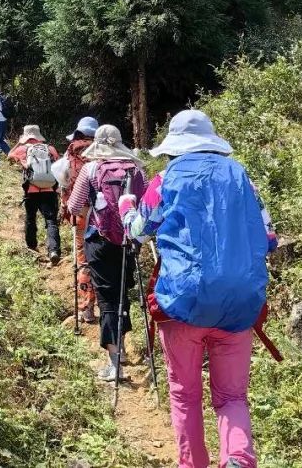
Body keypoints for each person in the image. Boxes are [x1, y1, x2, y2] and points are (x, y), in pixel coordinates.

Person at [119, 109, 277, 468]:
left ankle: (192, 464)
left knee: (185, 394)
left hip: (183, 302)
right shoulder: (242, 178)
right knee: (232, 396)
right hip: (240, 304)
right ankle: (237, 458)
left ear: (175, 148)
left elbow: (138, 230)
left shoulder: (165, 179)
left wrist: (127, 206)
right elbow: (269, 238)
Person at [66, 124, 145, 381]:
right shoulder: (136, 169)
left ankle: (114, 363)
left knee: (107, 299)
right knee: (122, 293)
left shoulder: (91, 168)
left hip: (99, 242)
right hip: (128, 240)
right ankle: (120, 347)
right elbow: (145, 207)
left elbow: (75, 206)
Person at [59, 116, 99, 324]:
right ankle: (108, 302)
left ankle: (87, 308)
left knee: (84, 261)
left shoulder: (71, 153)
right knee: (103, 257)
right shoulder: (104, 152)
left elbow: (64, 182)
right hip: (104, 213)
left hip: (80, 212)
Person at [7, 125, 61, 264]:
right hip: (49, 190)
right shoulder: (50, 149)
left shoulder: (23, 149)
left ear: (26, 136)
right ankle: (54, 250)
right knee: (51, 221)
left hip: (31, 190)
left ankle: (32, 247)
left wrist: (19, 142)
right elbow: (58, 164)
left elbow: (9, 156)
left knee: (31, 218)